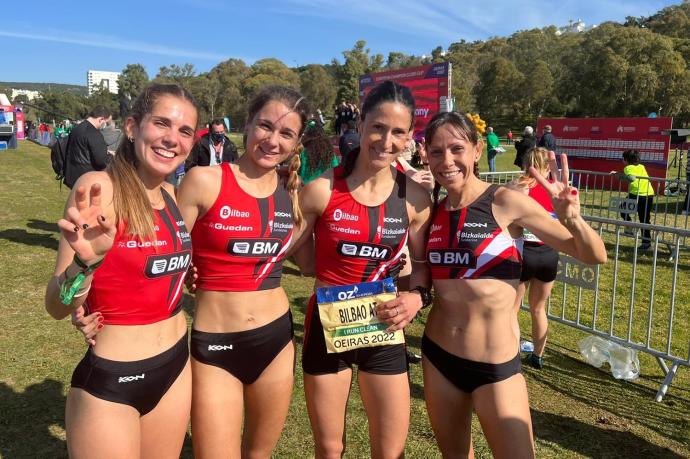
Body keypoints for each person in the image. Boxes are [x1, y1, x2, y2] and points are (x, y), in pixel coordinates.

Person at [422, 111, 607, 458]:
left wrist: (573, 219)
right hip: (438, 358)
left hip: (496, 367)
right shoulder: (432, 210)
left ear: (477, 151)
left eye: (456, 149)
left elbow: (594, 254)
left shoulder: (504, 201)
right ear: (426, 155)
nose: (447, 161)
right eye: (436, 152)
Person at [44, 84, 198, 457]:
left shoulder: (175, 197)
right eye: (161, 123)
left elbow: (152, 271)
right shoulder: (98, 189)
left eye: (184, 131)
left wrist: (184, 275)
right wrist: (86, 264)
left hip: (176, 365)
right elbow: (57, 305)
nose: (171, 139)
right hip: (113, 378)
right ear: (132, 127)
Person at [297, 80, 432, 458]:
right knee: (329, 448)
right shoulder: (321, 188)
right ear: (360, 124)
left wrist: (416, 299)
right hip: (327, 329)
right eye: (377, 127)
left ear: (409, 137)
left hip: (384, 329)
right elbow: (290, 250)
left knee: (389, 451)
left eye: (398, 132)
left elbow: (422, 270)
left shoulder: (416, 198)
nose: (386, 141)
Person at [176, 86, 310, 458]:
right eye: (265, 126)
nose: (272, 140)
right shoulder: (204, 180)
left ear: (297, 143)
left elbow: (317, 262)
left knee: (258, 455)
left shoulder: (296, 192)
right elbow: (161, 252)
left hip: (276, 342)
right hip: (216, 345)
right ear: (247, 125)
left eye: (286, 133)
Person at [508, 147, 560, 369]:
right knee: (539, 308)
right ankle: (538, 355)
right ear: (546, 167)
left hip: (524, 253)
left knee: (512, 308)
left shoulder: (519, 186)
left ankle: (512, 353)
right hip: (548, 253)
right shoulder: (555, 190)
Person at [609, 148, 655, 250]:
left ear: (626, 159)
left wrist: (617, 175)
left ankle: (630, 228)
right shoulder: (641, 166)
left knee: (623, 209)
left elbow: (631, 178)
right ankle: (646, 242)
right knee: (645, 219)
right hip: (649, 194)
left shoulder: (628, 168)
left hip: (637, 194)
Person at [63, 106, 113, 188]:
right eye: (106, 123)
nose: (105, 125)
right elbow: (102, 161)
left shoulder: (77, 128)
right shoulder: (94, 134)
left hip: (72, 176)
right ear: (101, 119)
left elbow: (83, 149)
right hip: (86, 179)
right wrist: (112, 156)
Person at [299, 120, 340, 185]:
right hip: (325, 189)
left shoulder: (303, 153)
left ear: (308, 135)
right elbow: (335, 168)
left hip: (305, 188)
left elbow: (298, 172)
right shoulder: (329, 152)